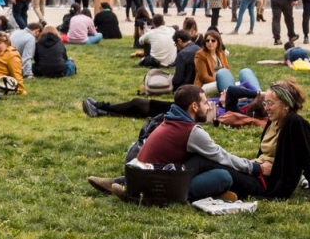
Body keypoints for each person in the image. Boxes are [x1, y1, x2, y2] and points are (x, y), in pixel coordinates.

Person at [87, 85, 256, 200]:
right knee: (223, 177)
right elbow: (221, 156)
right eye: (205, 103)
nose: (209, 106)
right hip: (158, 184)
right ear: (194, 107)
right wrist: (252, 167)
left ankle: (122, 182)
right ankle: (136, 194)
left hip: (143, 172)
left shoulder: (170, 120)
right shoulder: (191, 131)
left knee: (199, 162)